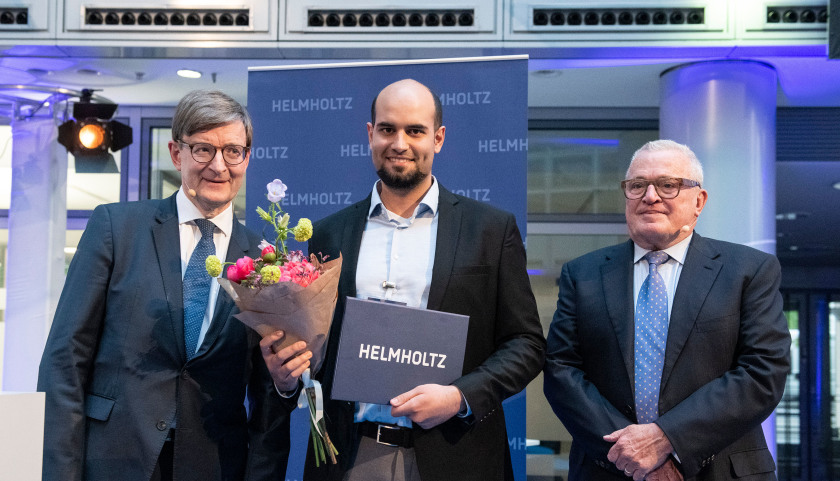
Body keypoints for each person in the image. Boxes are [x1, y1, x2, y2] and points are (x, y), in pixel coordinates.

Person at [261, 78, 546, 481]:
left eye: (415, 130)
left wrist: (460, 396)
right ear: (370, 134)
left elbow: (527, 344)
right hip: (350, 455)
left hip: (456, 456)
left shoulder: (490, 229)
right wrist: (288, 373)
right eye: (387, 129)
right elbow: (318, 349)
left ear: (439, 138)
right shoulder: (329, 234)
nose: (400, 143)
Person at [37, 90, 292, 481]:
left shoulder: (266, 261)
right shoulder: (115, 228)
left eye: (233, 151)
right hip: (112, 461)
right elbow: (65, 362)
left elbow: (265, 390)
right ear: (177, 153)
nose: (219, 166)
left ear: (247, 157)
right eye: (203, 149)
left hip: (214, 465)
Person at [543, 139, 791, 481]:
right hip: (609, 469)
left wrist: (667, 440)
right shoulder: (582, 274)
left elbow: (763, 372)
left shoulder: (748, 270)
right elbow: (562, 372)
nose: (650, 196)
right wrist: (632, 455)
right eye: (637, 185)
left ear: (699, 201)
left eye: (668, 185)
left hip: (720, 470)